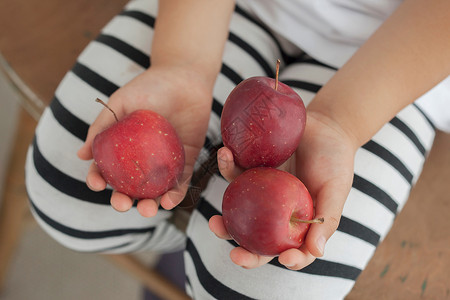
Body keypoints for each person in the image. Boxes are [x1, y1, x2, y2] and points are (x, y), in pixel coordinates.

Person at [25, 0, 449, 298]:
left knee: (260, 290)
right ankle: (190, 239)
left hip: (397, 62)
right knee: (65, 191)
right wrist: (182, 61)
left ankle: (197, 240)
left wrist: (341, 122)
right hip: (228, 9)